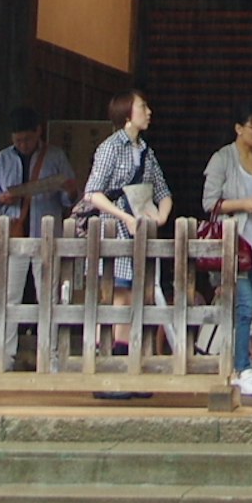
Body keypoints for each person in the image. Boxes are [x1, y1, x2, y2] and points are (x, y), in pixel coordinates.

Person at [199, 109, 252, 400]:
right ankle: (242, 368)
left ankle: (236, 369)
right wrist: (241, 204)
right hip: (233, 249)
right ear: (238, 128)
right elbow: (209, 203)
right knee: (245, 307)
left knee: (248, 311)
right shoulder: (222, 158)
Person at [77, 91, 171, 358]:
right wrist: (126, 218)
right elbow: (93, 192)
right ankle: (105, 362)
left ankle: (126, 361)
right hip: (113, 226)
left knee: (133, 297)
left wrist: (161, 217)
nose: (149, 111)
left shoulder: (145, 151)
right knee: (114, 296)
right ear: (127, 114)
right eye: (143, 106)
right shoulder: (110, 147)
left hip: (138, 230)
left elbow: (163, 191)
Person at [0, 111, 75, 371]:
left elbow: (70, 199)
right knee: (9, 297)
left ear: (38, 133)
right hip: (14, 233)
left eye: (27, 140)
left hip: (46, 234)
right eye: (18, 140)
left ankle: (50, 356)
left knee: (48, 296)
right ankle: (4, 357)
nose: (23, 144)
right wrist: (1, 198)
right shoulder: (3, 158)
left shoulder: (55, 156)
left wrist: (68, 189)